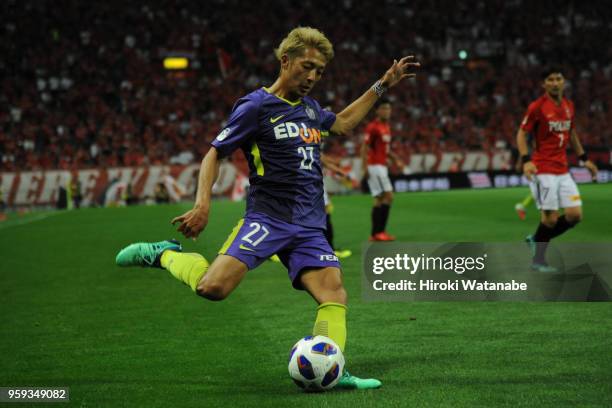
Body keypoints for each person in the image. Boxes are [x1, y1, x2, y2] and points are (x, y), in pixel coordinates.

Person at [115, 27, 420, 389]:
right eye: (306, 66)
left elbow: (345, 123)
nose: (312, 77)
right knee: (212, 288)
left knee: (333, 293)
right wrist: (202, 205)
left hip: (308, 226)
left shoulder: (310, 110)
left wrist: (383, 83)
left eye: (319, 71)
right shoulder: (256, 106)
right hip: (268, 219)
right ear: (285, 60)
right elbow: (214, 153)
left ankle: (333, 369)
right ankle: (165, 255)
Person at [516, 66, 598, 272]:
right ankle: (539, 261)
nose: (554, 82)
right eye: (550, 79)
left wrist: (584, 158)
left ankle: (536, 239)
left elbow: (571, 134)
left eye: (558, 79)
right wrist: (526, 160)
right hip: (543, 170)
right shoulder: (537, 107)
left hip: (563, 170)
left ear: (563, 82)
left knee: (575, 215)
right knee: (550, 219)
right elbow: (521, 134)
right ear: (544, 84)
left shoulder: (569, 106)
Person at [361, 99, 403, 241]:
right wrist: (364, 166)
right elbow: (365, 147)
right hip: (375, 166)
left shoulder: (386, 127)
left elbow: (386, 149)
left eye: (388, 109)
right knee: (389, 196)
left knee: (379, 200)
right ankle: (379, 232)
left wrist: (395, 158)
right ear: (377, 111)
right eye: (384, 108)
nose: (387, 111)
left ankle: (376, 234)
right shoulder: (373, 127)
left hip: (381, 165)